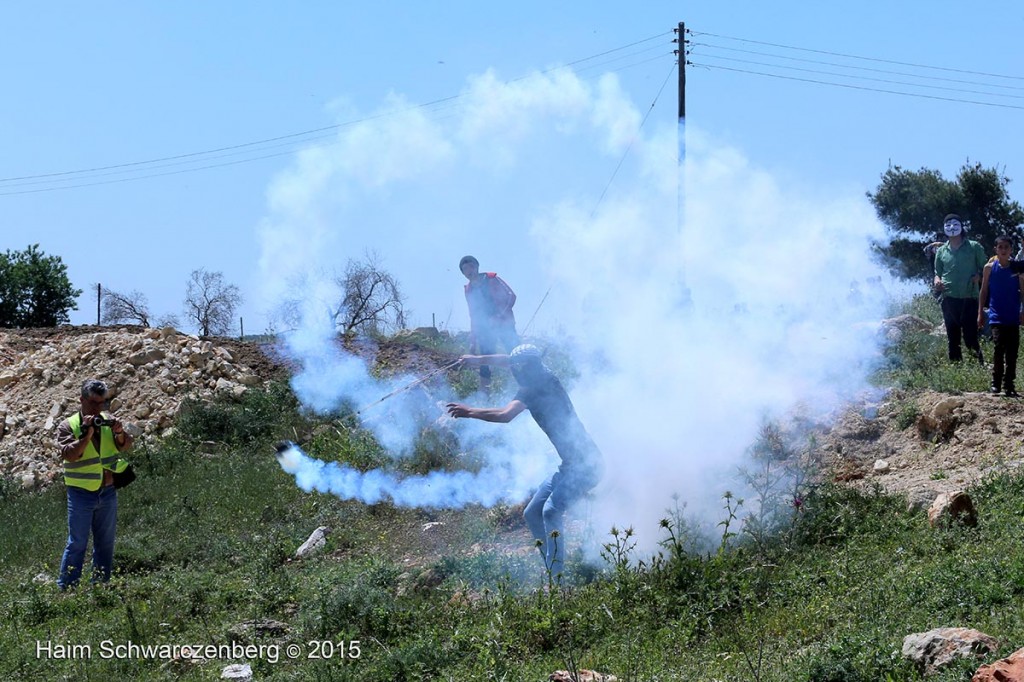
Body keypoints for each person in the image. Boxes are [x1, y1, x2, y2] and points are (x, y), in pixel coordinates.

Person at [446, 344, 604, 580]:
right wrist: (478, 360)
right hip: (570, 466)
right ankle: (552, 567)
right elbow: (508, 359)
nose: (513, 370)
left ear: (525, 369)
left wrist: (470, 412)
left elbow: (504, 415)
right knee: (532, 513)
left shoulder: (533, 389)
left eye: (517, 367)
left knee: (551, 512)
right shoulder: (544, 374)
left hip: (587, 466)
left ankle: (558, 580)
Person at [56, 379, 134, 590]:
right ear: (81, 400)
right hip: (81, 494)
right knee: (77, 543)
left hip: (107, 492)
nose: (98, 408)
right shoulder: (68, 425)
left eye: (103, 403)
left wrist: (119, 432)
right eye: (93, 403)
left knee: (105, 543)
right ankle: (67, 588)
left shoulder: (107, 421)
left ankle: (100, 586)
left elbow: (126, 446)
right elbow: (70, 455)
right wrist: (86, 435)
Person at [459, 255, 519, 390]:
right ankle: (483, 397)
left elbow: (511, 296)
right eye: (465, 269)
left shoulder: (492, 279)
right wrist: (473, 339)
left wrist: (499, 316)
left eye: (471, 267)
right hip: (485, 331)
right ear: (463, 273)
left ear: (477, 267)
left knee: (517, 355)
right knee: (484, 361)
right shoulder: (469, 290)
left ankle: (527, 386)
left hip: (504, 326)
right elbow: (473, 315)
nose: (469, 271)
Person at [933, 214, 988, 363]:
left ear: (961, 226)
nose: (951, 227)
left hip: (969, 297)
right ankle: (956, 367)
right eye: (948, 224)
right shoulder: (941, 251)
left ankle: (978, 366)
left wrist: (979, 276)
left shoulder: (974, 247)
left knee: (970, 335)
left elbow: (986, 268)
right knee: (952, 336)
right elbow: (937, 273)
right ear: (944, 229)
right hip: (948, 298)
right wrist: (937, 281)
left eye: (954, 224)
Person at [978, 235, 1024, 396]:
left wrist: (1022, 311)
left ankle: (1009, 384)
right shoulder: (989, 268)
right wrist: (980, 314)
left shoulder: (1017, 268)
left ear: (1011, 250)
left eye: (1006, 247)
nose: (1003, 250)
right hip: (996, 315)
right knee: (998, 348)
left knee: (1012, 352)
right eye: (1000, 247)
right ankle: (995, 382)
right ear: (995, 250)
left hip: (1013, 316)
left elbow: (1023, 292)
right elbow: (983, 291)